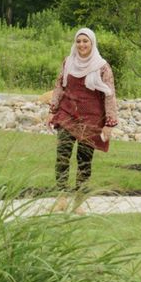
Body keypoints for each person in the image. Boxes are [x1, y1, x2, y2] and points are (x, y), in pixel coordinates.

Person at [48, 28, 118, 192]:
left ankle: (79, 199)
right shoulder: (68, 62)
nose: (81, 44)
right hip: (67, 113)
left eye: (85, 41)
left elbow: (109, 95)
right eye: (78, 41)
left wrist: (109, 123)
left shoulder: (102, 67)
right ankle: (61, 196)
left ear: (92, 43)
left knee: (84, 159)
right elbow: (59, 86)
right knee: (62, 156)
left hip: (91, 118)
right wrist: (52, 110)